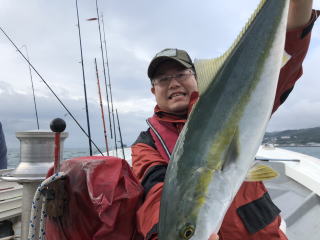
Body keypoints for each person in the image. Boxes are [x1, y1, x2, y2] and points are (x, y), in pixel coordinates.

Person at [131, 1, 318, 239]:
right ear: (153, 91)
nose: (173, 83)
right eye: (162, 79)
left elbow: (288, 49)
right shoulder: (146, 143)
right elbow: (156, 192)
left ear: (197, 78)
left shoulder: (239, 92)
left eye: (181, 74)